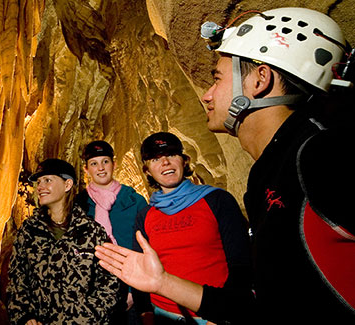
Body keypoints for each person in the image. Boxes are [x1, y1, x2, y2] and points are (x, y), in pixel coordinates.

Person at [95, 7, 355, 324]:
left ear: (260, 80)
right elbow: (264, 309)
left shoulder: (324, 154)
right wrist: (162, 284)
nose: (206, 95)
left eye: (217, 78)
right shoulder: (270, 171)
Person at [132, 132, 251, 324]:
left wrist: (225, 314)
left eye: (171, 155)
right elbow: (140, 266)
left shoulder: (217, 200)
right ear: (147, 170)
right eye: (155, 159)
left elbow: (241, 263)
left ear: (184, 161)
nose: (165, 163)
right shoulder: (145, 215)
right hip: (164, 315)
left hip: (211, 315)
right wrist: (145, 311)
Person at [7, 158, 119, 325]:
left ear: (67, 185)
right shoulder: (29, 231)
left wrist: (87, 318)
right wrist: (25, 317)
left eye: (47, 180)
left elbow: (109, 282)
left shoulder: (92, 232)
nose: (40, 187)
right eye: (39, 182)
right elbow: (17, 280)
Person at [75, 141, 147, 324]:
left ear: (114, 164)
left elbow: (145, 249)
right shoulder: (79, 205)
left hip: (131, 289)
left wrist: (134, 291)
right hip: (91, 292)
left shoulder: (135, 201)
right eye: (94, 163)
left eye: (105, 161)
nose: (100, 168)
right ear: (86, 169)